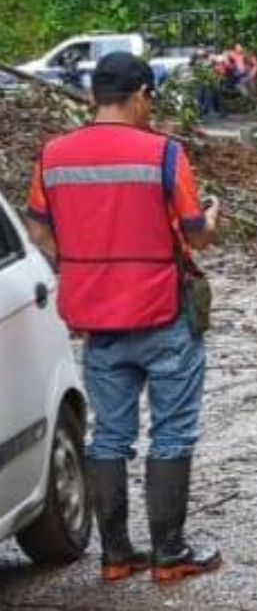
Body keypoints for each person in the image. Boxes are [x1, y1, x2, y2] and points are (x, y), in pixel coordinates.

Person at [23, 52, 224, 585]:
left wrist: (83, 261)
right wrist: (212, 218)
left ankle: (115, 554)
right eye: (148, 99)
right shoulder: (164, 154)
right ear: (139, 96)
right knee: (172, 433)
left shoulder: (53, 156)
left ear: (93, 96)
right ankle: (170, 553)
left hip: (98, 321)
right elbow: (196, 232)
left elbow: (38, 231)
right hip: (164, 315)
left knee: (109, 435)